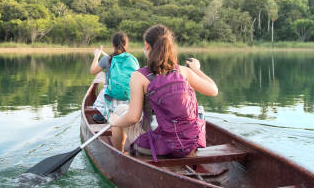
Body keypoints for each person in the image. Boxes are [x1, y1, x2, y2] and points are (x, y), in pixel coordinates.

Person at [109, 24, 218, 160]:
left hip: (160, 146)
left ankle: (119, 157)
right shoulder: (183, 71)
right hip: (191, 143)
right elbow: (213, 90)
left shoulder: (139, 77)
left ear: (146, 46)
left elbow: (133, 117)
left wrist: (115, 122)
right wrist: (196, 69)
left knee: (119, 111)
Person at [89, 32, 140, 150]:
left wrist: (96, 55)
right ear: (127, 45)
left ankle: (105, 117)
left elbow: (92, 71)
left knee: (103, 97)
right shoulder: (133, 59)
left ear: (113, 44)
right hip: (130, 98)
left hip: (111, 98)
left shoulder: (107, 59)